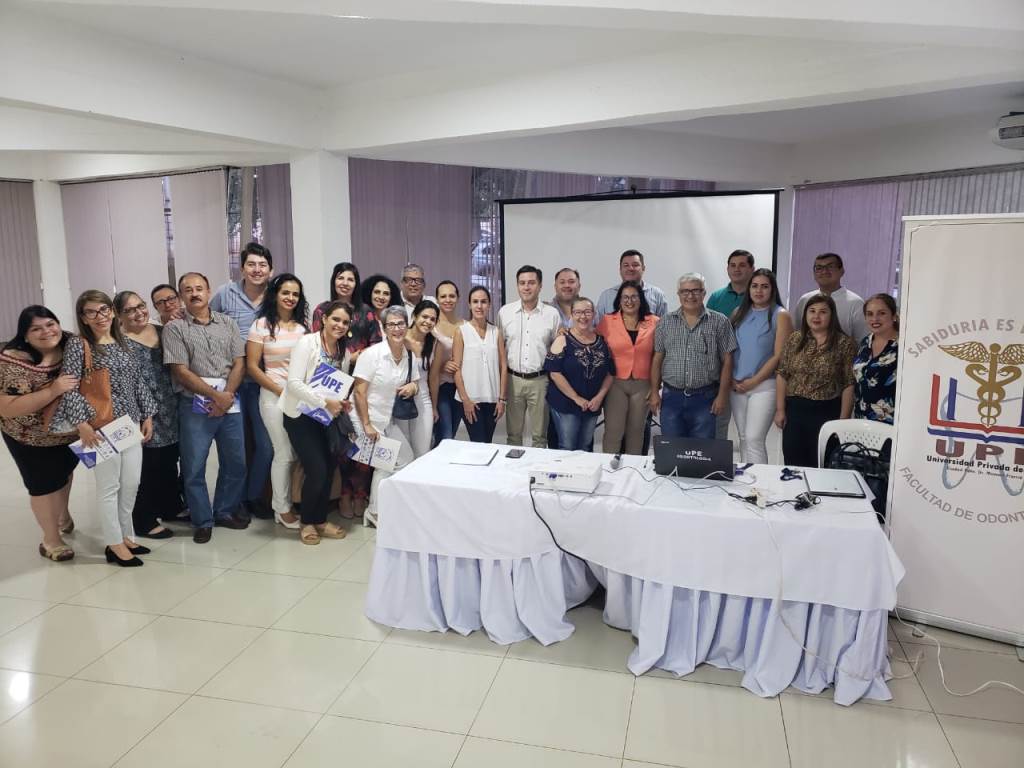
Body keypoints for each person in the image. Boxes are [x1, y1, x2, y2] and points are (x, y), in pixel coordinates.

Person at [52, 291, 156, 567]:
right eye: (91, 312)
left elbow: (138, 381)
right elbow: (69, 388)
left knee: (131, 483)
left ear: (112, 311)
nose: (100, 317)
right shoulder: (79, 345)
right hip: (98, 427)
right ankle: (114, 543)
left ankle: (126, 535)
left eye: (104, 310)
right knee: (109, 487)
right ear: (83, 317)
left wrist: (147, 414)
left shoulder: (123, 341)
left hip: (129, 423)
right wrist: (82, 425)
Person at [162, 272, 249, 544]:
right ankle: (202, 519)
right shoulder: (175, 329)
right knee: (194, 465)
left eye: (199, 288)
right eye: (188, 290)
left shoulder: (228, 323)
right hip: (194, 404)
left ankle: (224, 510)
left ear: (209, 291)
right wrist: (215, 395)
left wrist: (227, 395)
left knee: (236, 463)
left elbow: (239, 362)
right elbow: (179, 370)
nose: (195, 293)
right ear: (182, 296)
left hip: (229, 401)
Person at [0, 307, 80, 562]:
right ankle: (51, 540)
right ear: (25, 335)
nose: (47, 332)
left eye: (50, 324)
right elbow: (7, 408)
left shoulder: (71, 344)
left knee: (64, 473)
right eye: (36, 328)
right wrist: (53, 390)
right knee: (43, 485)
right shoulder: (11, 361)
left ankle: (63, 516)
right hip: (28, 436)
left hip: (68, 432)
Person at [210, 242, 274, 519]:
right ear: (242, 268)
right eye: (252, 264)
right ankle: (230, 503)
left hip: (264, 383)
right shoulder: (225, 294)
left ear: (270, 270)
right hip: (231, 383)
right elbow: (205, 322)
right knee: (233, 448)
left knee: (266, 445)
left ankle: (253, 495)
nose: (257, 270)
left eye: (262, 265)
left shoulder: (275, 296)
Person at [281, 300, 352, 545]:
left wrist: (342, 402)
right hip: (300, 416)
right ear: (324, 319)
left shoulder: (345, 351)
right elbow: (293, 384)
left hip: (325, 418)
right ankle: (307, 522)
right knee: (317, 469)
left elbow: (339, 384)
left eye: (344, 322)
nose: (339, 325)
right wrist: (324, 402)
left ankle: (320, 520)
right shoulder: (306, 343)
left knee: (330, 466)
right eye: (335, 319)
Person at [114, 291, 179, 539]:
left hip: (170, 405)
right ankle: (144, 518)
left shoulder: (162, 331)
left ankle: (171, 505)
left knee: (169, 458)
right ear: (119, 315)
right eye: (130, 310)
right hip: (142, 411)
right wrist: (143, 414)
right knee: (146, 466)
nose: (138, 312)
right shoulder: (118, 342)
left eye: (140, 306)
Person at [246, 274, 309, 529]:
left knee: (293, 452)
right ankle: (281, 509)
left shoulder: (302, 329)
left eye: (295, 294)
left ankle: (285, 504)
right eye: (285, 292)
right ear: (275, 294)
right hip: (272, 396)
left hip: (298, 397)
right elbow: (252, 366)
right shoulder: (261, 325)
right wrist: (280, 390)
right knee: (282, 452)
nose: (290, 298)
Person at [353, 306, 419, 526]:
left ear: (407, 325)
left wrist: (413, 387)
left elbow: (415, 382)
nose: (397, 329)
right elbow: (359, 391)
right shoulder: (372, 355)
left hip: (387, 419)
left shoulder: (409, 355)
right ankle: (374, 512)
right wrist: (367, 425)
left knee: (407, 459)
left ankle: (385, 506)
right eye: (391, 324)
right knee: (385, 464)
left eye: (401, 323)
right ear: (383, 328)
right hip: (365, 420)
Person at [650, 273, 736, 440]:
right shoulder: (665, 322)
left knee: (701, 452)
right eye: (685, 291)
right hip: (671, 397)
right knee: (672, 447)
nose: (690, 296)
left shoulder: (720, 322)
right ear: (679, 294)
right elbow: (658, 358)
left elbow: (727, 361)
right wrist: (654, 392)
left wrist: (722, 396)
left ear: (704, 293)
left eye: (696, 291)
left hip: (705, 398)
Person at [775, 294, 856, 468]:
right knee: (793, 464)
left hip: (827, 412)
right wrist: (780, 409)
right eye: (812, 311)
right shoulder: (795, 339)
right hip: (795, 411)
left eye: (822, 312)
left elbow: (849, 383)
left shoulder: (844, 344)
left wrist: (842, 421)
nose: (816, 316)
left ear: (831, 315)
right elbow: (782, 374)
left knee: (822, 463)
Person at [729, 269, 792, 464]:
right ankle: (746, 481)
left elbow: (779, 355)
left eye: (765, 286)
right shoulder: (738, 313)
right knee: (743, 438)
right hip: (737, 385)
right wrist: (731, 378)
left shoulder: (780, 315)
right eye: (754, 286)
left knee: (754, 438)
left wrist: (753, 381)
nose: (759, 291)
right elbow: (730, 350)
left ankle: (760, 487)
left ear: (772, 290)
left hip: (765, 385)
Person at [498, 265, 561, 447]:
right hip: (513, 380)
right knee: (513, 435)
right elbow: (500, 347)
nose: (526, 287)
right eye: (522, 283)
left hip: (540, 381)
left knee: (540, 437)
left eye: (531, 283)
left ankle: (535, 471)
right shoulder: (505, 312)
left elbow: (555, 349)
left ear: (540, 286)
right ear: (517, 286)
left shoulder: (551, 314)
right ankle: (515, 472)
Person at [597, 280, 659, 455]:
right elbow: (594, 344)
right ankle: (609, 470)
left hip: (643, 384)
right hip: (615, 383)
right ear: (619, 299)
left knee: (636, 432)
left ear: (641, 299)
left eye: (634, 297)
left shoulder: (654, 322)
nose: (629, 301)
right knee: (613, 431)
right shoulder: (608, 321)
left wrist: (656, 387)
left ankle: (633, 473)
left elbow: (659, 356)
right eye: (625, 297)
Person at [544, 298, 614, 451]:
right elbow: (554, 373)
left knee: (586, 445)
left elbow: (610, 373)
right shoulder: (562, 340)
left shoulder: (602, 342)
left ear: (594, 314)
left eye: (587, 312)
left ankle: (585, 474)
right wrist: (576, 398)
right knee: (568, 445)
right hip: (566, 404)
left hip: (592, 404)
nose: (583, 316)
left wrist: (599, 397)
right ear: (571, 315)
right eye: (578, 312)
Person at [707, 249, 755, 440]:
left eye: (742, 265)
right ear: (727, 269)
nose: (737, 269)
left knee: (749, 435)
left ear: (752, 269)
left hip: (751, 376)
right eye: (733, 265)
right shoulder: (716, 297)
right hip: (722, 375)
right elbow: (708, 334)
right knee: (719, 426)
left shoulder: (759, 297)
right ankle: (717, 468)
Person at [453, 286, 508, 443]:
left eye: (483, 302)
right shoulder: (461, 331)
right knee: (479, 442)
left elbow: (503, 366)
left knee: (487, 442)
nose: (479, 306)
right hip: (470, 399)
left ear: (489, 304)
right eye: (475, 302)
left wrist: (502, 399)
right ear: (469, 305)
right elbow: (456, 369)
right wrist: (465, 400)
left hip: (492, 398)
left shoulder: (496, 331)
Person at [311, 262, 378, 369]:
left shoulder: (366, 311)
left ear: (356, 284)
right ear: (334, 281)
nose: (345, 283)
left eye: (350, 280)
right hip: (329, 371)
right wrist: (346, 359)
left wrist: (360, 355)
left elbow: (377, 344)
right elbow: (316, 344)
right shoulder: (322, 310)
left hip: (362, 369)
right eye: (340, 278)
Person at [794, 253, 868, 342]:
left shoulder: (856, 303)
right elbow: (798, 335)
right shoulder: (805, 300)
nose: (824, 271)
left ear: (842, 271)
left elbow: (863, 341)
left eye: (830, 267)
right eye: (819, 268)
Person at [853, 294, 899, 424]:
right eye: (870, 314)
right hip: (861, 419)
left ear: (894, 315)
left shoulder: (905, 346)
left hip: (891, 423)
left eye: (881, 313)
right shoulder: (865, 342)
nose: (875, 319)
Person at [430, 280, 464, 444]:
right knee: (446, 435)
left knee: (452, 434)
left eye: (452, 296)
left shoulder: (464, 325)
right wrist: (441, 365)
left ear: (458, 298)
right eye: (443, 296)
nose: (448, 300)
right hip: (439, 387)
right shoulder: (431, 326)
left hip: (460, 387)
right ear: (437, 299)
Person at [404, 299, 439, 457]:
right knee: (403, 452)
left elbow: (433, 378)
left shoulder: (434, 344)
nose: (428, 321)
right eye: (424, 317)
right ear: (415, 316)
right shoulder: (400, 337)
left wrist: (434, 407)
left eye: (432, 319)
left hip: (423, 398)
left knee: (423, 452)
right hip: (401, 398)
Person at [594, 249, 668, 324]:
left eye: (635, 265)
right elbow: (597, 326)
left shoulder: (657, 295)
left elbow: (664, 327)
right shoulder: (606, 296)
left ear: (643, 268)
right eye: (626, 265)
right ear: (620, 269)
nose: (630, 268)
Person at [360, 274, 403, 339]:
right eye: (377, 292)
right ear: (369, 294)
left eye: (386, 294)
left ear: (391, 297)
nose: (381, 297)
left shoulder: (396, 323)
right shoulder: (360, 321)